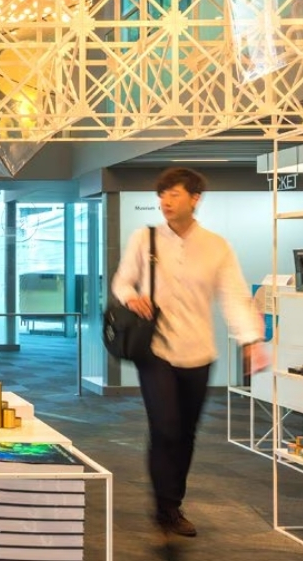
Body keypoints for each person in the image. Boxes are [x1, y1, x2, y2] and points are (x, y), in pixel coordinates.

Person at [111, 167, 268, 540]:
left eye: (174, 194)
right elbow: (121, 280)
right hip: (156, 351)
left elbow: (233, 295)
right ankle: (165, 508)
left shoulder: (216, 246)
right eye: (162, 194)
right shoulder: (144, 238)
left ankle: (174, 502)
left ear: (195, 198)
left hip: (199, 352)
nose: (165, 201)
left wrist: (251, 341)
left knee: (186, 434)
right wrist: (131, 297)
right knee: (165, 427)